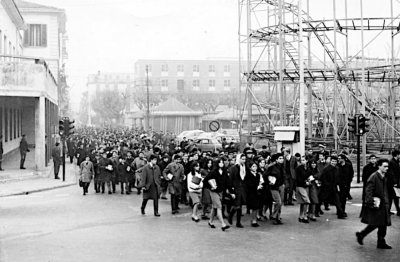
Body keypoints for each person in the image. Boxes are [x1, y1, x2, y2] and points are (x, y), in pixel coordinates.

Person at [356, 159, 392, 249]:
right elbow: (368, 191)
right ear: (379, 166)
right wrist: (370, 202)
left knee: (382, 224)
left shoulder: (384, 176)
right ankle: (362, 235)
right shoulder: (374, 177)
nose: (387, 168)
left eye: (387, 166)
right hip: (378, 204)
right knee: (377, 223)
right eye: (385, 166)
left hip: (384, 203)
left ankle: (380, 241)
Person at [203, 158, 230, 231]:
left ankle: (210, 221)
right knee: (219, 206)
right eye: (220, 162)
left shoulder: (224, 172)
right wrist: (210, 187)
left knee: (214, 207)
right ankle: (223, 224)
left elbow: (227, 181)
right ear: (217, 164)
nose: (221, 163)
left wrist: (228, 189)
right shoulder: (213, 172)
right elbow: (205, 181)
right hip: (214, 191)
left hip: (221, 191)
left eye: (222, 162)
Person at [227, 154, 247, 228]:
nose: (243, 161)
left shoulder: (245, 168)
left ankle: (238, 222)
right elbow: (230, 180)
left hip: (242, 189)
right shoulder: (233, 168)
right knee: (237, 205)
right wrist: (231, 190)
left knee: (240, 206)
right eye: (242, 159)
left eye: (245, 159)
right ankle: (231, 215)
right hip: (235, 189)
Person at [267, 153, 285, 225]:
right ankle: (274, 216)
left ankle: (278, 217)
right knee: (278, 202)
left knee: (280, 203)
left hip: (280, 185)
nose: (281, 160)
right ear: (276, 159)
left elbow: (283, 176)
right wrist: (269, 181)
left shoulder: (282, 167)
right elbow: (266, 175)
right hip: (274, 187)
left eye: (282, 158)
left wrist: (284, 184)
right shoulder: (272, 167)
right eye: (280, 158)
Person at [245, 161, 264, 227]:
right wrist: (257, 186)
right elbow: (249, 184)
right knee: (253, 207)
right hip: (251, 193)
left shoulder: (258, 175)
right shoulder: (248, 175)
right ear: (250, 167)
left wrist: (260, 185)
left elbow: (261, 182)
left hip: (257, 192)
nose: (255, 168)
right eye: (253, 166)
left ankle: (254, 219)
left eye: (255, 166)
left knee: (256, 207)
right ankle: (253, 220)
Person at [387, 150, 400, 216]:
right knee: (392, 197)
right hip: (393, 183)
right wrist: (395, 183)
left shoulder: (396, 161)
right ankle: (389, 210)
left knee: (395, 197)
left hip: (395, 183)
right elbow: (392, 173)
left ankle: (397, 210)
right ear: (397, 155)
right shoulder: (392, 162)